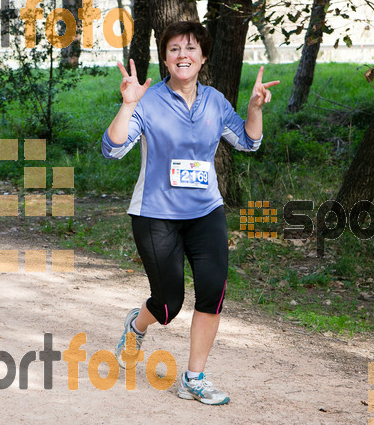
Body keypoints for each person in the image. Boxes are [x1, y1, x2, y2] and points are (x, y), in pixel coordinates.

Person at [101, 21, 279, 405]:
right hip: (156, 214)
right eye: (174, 49)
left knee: (212, 292)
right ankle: (137, 325)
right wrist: (128, 104)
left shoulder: (215, 101)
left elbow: (248, 141)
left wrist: (253, 109)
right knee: (167, 305)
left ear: (203, 56)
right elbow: (112, 149)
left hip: (206, 211)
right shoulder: (147, 101)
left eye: (191, 48)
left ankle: (194, 378)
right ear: (165, 58)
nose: (183, 55)